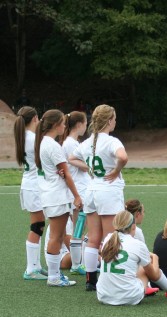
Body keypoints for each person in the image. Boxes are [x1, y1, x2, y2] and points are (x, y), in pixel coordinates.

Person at [69, 104, 128, 291]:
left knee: (93, 238)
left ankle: (90, 280)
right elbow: (123, 157)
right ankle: (108, 278)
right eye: (115, 119)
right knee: (111, 237)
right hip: (108, 192)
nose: (115, 122)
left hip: (91, 191)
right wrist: (116, 170)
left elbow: (71, 158)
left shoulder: (87, 142)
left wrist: (89, 168)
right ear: (109, 120)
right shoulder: (112, 141)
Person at [97, 211, 167, 305]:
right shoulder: (137, 244)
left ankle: (165, 288)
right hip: (129, 297)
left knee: (134, 266)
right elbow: (153, 275)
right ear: (133, 226)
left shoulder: (108, 239)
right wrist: (155, 258)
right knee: (145, 269)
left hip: (103, 296)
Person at [34, 109, 83, 287]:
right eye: (63, 123)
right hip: (56, 196)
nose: (65, 126)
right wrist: (77, 195)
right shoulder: (52, 145)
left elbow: (61, 171)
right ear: (55, 125)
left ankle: (54, 276)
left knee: (59, 235)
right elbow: (67, 173)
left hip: (51, 194)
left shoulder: (44, 143)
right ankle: (54, 277)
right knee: (56, 236)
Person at [14, 106, 48, 280]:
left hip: (30, 185)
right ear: (35, 118)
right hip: (34, 187)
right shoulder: (33, 139)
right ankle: (31, 269)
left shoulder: (24, 137)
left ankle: (36, 266)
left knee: (38, 225)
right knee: (37, 226)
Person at [59, 111, 89, 275]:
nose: (86, 127)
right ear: (79, 124)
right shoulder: (71, 144)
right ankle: (77, 264)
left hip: (80, 190)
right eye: (85, 123)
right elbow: (83, 164)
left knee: (81, 229)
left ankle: (78, 263)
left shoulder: (72, 143)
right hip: (78, 191)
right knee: (79, 229)